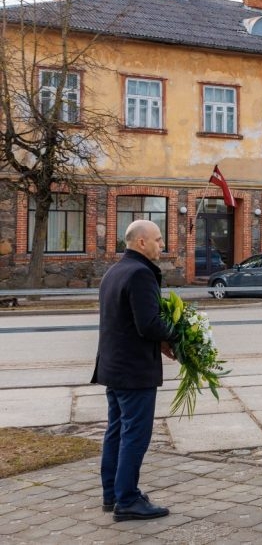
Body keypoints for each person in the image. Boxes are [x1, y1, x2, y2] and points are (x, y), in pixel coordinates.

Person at [91, 220, 176, 522]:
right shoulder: (141, 273)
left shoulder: (115, 271)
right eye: (158, 239)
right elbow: (148, 324)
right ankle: (127, 500)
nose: (161, 245)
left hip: (113, 367)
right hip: (134, 370)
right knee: (135, 436)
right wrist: (177, 336)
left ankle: (112, 494)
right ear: (141, 242)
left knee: (116, 431)